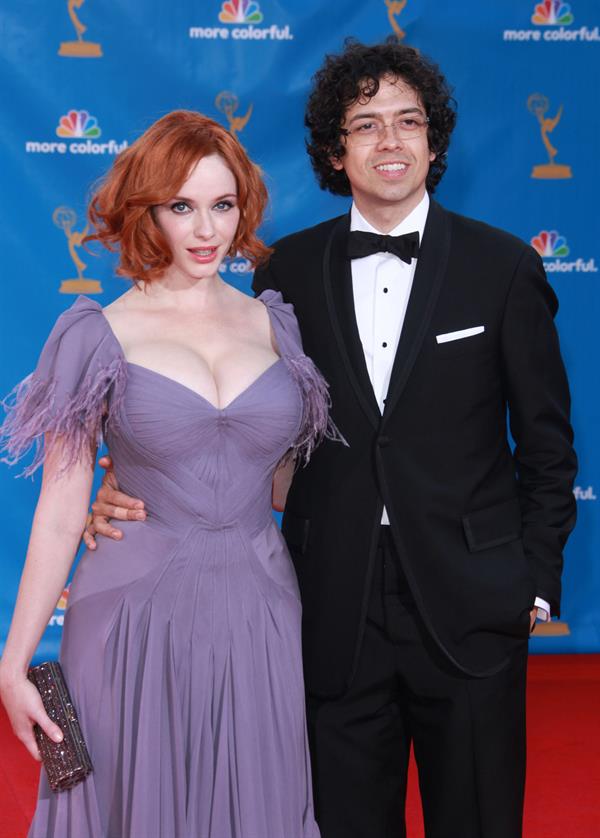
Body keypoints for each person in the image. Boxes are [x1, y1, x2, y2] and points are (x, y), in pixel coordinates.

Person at [86, 40, 578, 838]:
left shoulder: (504, 268)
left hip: (472, 602)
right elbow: (246, 429)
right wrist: (125, 487)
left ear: (433, 139)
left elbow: (549, 450)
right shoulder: (286, 273)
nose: (390, 141)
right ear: (333, 149)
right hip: (327, 606)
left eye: (408, 122)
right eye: (366, 124)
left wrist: (531, 586)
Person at [0, 109, 338, 838]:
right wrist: (15, 661)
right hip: (130, 614)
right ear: (145, 209)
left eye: (222, 204)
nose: (206, 229)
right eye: (181, 206)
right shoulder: (99, 333)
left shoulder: (275, 323)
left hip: (261, 607)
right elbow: (61, 509)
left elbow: (276, 478)